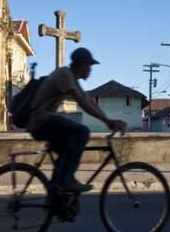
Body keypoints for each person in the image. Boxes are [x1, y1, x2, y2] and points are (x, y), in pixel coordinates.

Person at [26, 47, 127, 194]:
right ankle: (66, 182)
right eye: (89, 66)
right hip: (40, 121)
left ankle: (56, 193)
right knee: (82, 132)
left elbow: (89, 101)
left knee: (68, 150)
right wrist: (107, 122)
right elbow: (83, 103)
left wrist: (108, 120)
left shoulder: (72, 78)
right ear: (82, 65)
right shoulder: (64, 74)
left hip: (43, 121)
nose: (90, 71)